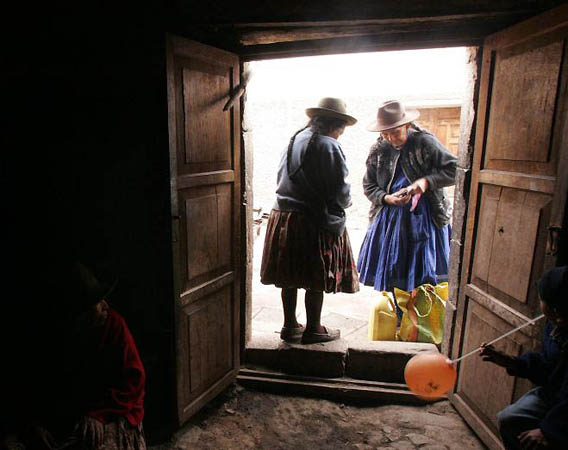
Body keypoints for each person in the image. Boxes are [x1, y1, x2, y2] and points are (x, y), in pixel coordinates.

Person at [6, 261, 146, 450]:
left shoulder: (114, 325)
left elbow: (133, 381)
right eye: (96, 303)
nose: (105, 305)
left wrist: (98, 414)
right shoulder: (56, 336)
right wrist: (36, 423)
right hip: (72, 411)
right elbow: (39, 383)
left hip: (113, 409)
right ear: (78, 314)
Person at [260, 97, 360, 344]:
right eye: (341, 129)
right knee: (315, 274)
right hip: (311, 220)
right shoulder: (329, 145)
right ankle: (314, 328)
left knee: (289, 274)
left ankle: (289, 325)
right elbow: (340, 190)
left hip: (283, 218)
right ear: (335, 125)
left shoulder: (293, 141)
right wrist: (345, 205)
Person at [357, 99, 457, 316]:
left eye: (395, 132)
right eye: (385, 133)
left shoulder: (425, 142)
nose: (390, 138)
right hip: (391, 218)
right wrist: (387, 198)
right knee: (395, 268)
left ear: (407, 126)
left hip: (426, 216)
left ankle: (425, 317)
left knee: (424, 270)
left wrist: (425, 183)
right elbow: (369, 185)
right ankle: (402, 317)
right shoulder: (379, 149)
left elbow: (455, 169)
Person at [480, 266, 568, 450]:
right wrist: (511, 362)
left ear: (555, 308)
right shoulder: (555, 328)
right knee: (509, 419)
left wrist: (549, 430)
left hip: (564, 406)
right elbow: (547, 366)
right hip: (554, 395)